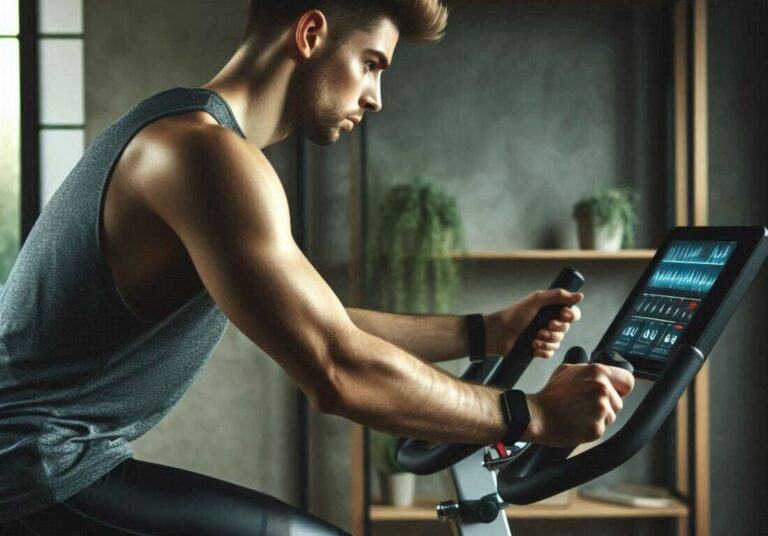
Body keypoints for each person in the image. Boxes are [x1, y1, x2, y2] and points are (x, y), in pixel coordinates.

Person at [0, 0, 635, 534]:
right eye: (371, 64)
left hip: (54, 465)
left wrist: (484, 332)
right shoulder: (204, 157)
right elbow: (338, 370)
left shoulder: (198, 142)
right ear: (310, 34)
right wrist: (533, 415)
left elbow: (324, 321)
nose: (376, 97)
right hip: (37, 475)